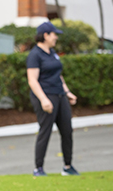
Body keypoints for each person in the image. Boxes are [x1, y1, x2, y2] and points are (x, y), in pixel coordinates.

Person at [26, 21, 80, 177]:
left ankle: (68, 166)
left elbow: (58, 75)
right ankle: (38, 168)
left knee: (67, 130)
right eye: (54, 34)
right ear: (45, 35)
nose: (56, 37)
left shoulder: (53, 53)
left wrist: (67, 92)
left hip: (59, 94)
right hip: (45, 95)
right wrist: (43, 100)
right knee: (46, 131)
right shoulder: (35, 55)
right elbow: (32, 80)